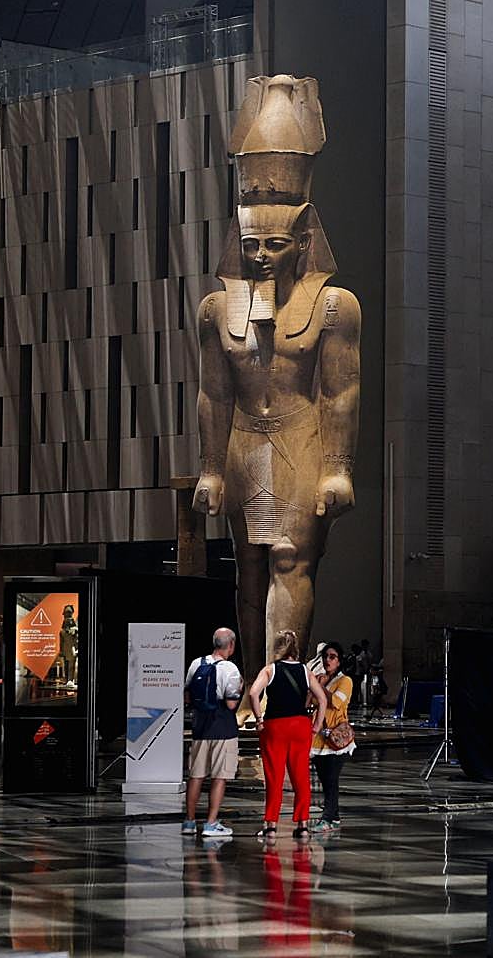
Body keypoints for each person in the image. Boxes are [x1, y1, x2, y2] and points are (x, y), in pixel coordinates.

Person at [193, 75, 361, 706]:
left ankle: (282, 692)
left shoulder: (334, 305)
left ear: (303, 241)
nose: (262, 257)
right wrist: (209, 468)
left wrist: (338, 469)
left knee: (292, 562)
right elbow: (214, 394)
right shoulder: (216, 309)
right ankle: (246, 694)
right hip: (241, 444)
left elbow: (341, 393)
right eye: (251, 245)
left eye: (275, 244)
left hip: (301, 438)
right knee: (250, 568)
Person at [249, 630, 327, 840]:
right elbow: (322, 699)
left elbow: (253, 693)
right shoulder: (305, 670)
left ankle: (271, 825)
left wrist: (258, 719)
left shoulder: (270, 670)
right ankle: (302, 825)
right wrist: (317, 725)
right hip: (301, 725)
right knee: (300, 776)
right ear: (296, 648)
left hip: (275, 725)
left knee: (274, 776)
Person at [182, 628, 243, 839]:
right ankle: (210, 824)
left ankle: (189, 822)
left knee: (196, 775)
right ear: (231, 645)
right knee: (219, 776)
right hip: (223, 726)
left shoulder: (196, 663)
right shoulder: (231, 669)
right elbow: (231, 703)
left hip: (200, 726)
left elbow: (187, 696)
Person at [311, 642, 356, 832]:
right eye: (325, 656)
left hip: (337, 738)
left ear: (339, 661)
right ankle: (334, 816)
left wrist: (321, 688)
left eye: (332, 657)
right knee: (324, 778)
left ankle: (327, 817)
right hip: (320, 738)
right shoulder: (321, 679)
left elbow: (336, 702)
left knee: (331, 778)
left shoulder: (345, 681)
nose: (327, 660)